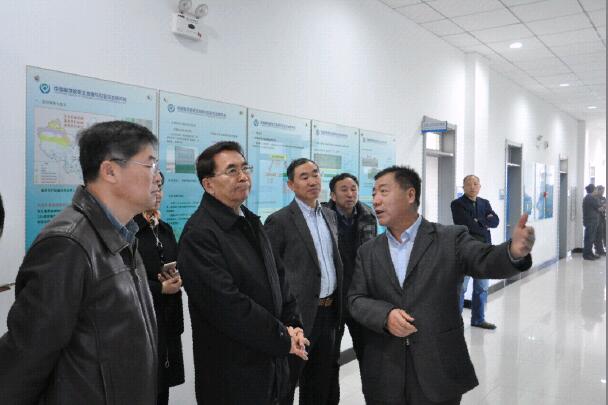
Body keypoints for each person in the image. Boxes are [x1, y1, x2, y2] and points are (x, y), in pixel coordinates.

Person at [0, 121, 160, 404]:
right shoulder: (68, 244)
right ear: (110, 170)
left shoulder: (123, 235)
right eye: (150, 165)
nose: (157, 177)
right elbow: (26, 358)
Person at [349, 165, 534, 405]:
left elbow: (485, 260)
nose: (375, 200)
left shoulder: (450, 238)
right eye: (374, 193)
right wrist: (385, 316)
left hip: (438, 367)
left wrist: (513, 252)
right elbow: (356, 299)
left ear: (410, 195)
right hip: (386, 370)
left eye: (383, 191)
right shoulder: (368, 251)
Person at [178, 141, 309, 405]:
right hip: (233, 372)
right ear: (208, 184)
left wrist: (293, 325)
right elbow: (227, 305)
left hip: (273, 362)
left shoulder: (249, 220)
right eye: (231, 170)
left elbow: (279, 278)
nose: (243, 176)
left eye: (245, 168)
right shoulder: (199, 234)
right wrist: (282, 336)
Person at [265, 158, 344, 405]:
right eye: (304, 177)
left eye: (315, 174)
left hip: (329, 313)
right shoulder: (279, 221)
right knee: (287, 383)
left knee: (319, 384)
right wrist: (283, 320)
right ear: (291, 185)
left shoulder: (330, 215)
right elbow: (271, 273)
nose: (312, 181)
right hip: (297, 318)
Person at [323, 172, 377, 404]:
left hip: (360, 297)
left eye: (353, 188)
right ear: (333, 195)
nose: (350, 193)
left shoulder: (368, 215)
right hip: (331, 300)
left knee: (369, 355)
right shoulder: (322, 216)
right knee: (328, 359)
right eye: (344, 189)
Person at [134, 171, 185, 405]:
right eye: (152, 186)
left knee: (161, 391)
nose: (158, 193)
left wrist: (177, 279)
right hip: (140, 326)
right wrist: (160, 289)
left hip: (167, 322)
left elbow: (176, 263)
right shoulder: (127, 231)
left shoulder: (163, 229)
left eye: (160, 186)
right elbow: (122, 282)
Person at [450, 175, 499, 330]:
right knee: (461, 288)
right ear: (463, 187)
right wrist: (484, 222)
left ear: (479, 186)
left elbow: (495, 222)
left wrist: (480, 221)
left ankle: (478, 320)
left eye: (475, 184)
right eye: (469, 184)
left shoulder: (485, 203)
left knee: (482, 287)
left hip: (484, 252)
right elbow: (467, 225)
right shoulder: (457, 204)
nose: (472, 187)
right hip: (465, 251)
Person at [582, 184, 601, 260]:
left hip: (591, 221)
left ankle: (590, 253)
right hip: (591, 221)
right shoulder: (590, 198)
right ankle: (587, 255)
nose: (597, 191)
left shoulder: (588, 197)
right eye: (596, 189)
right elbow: (599, 208)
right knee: (589, 238)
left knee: (590, 238)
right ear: (593, 190)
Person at [593, 185, 606, 256]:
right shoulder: (594, 198)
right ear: (598, 190)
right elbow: (599, 208)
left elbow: (604, 207)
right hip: (596, 219)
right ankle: (598, 250)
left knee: (602, 234)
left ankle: (601, 249)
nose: (602, 192)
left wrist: (603, 207)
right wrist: (603, 207)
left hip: (602, 218)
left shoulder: (603, 198)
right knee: (598, 235)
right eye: (601, 191)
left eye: (603, 191)